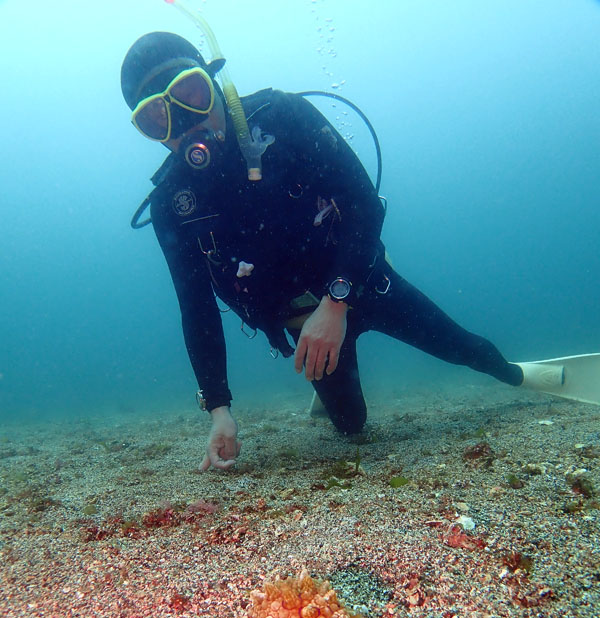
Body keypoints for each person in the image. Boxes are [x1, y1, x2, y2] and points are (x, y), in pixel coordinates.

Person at [120, 31, 533, 471]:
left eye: (191, 94)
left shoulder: (282, 116)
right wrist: (219, 410)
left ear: (215, 83)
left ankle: (519, 375)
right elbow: (196, 307)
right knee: (352, 426)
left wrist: (336, 304)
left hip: (363, 283)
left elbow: (364, 203)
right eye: (157, 119)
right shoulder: (172, 203)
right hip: (304, 324)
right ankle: (333, 393)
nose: (185, 123)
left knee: (469, 351)